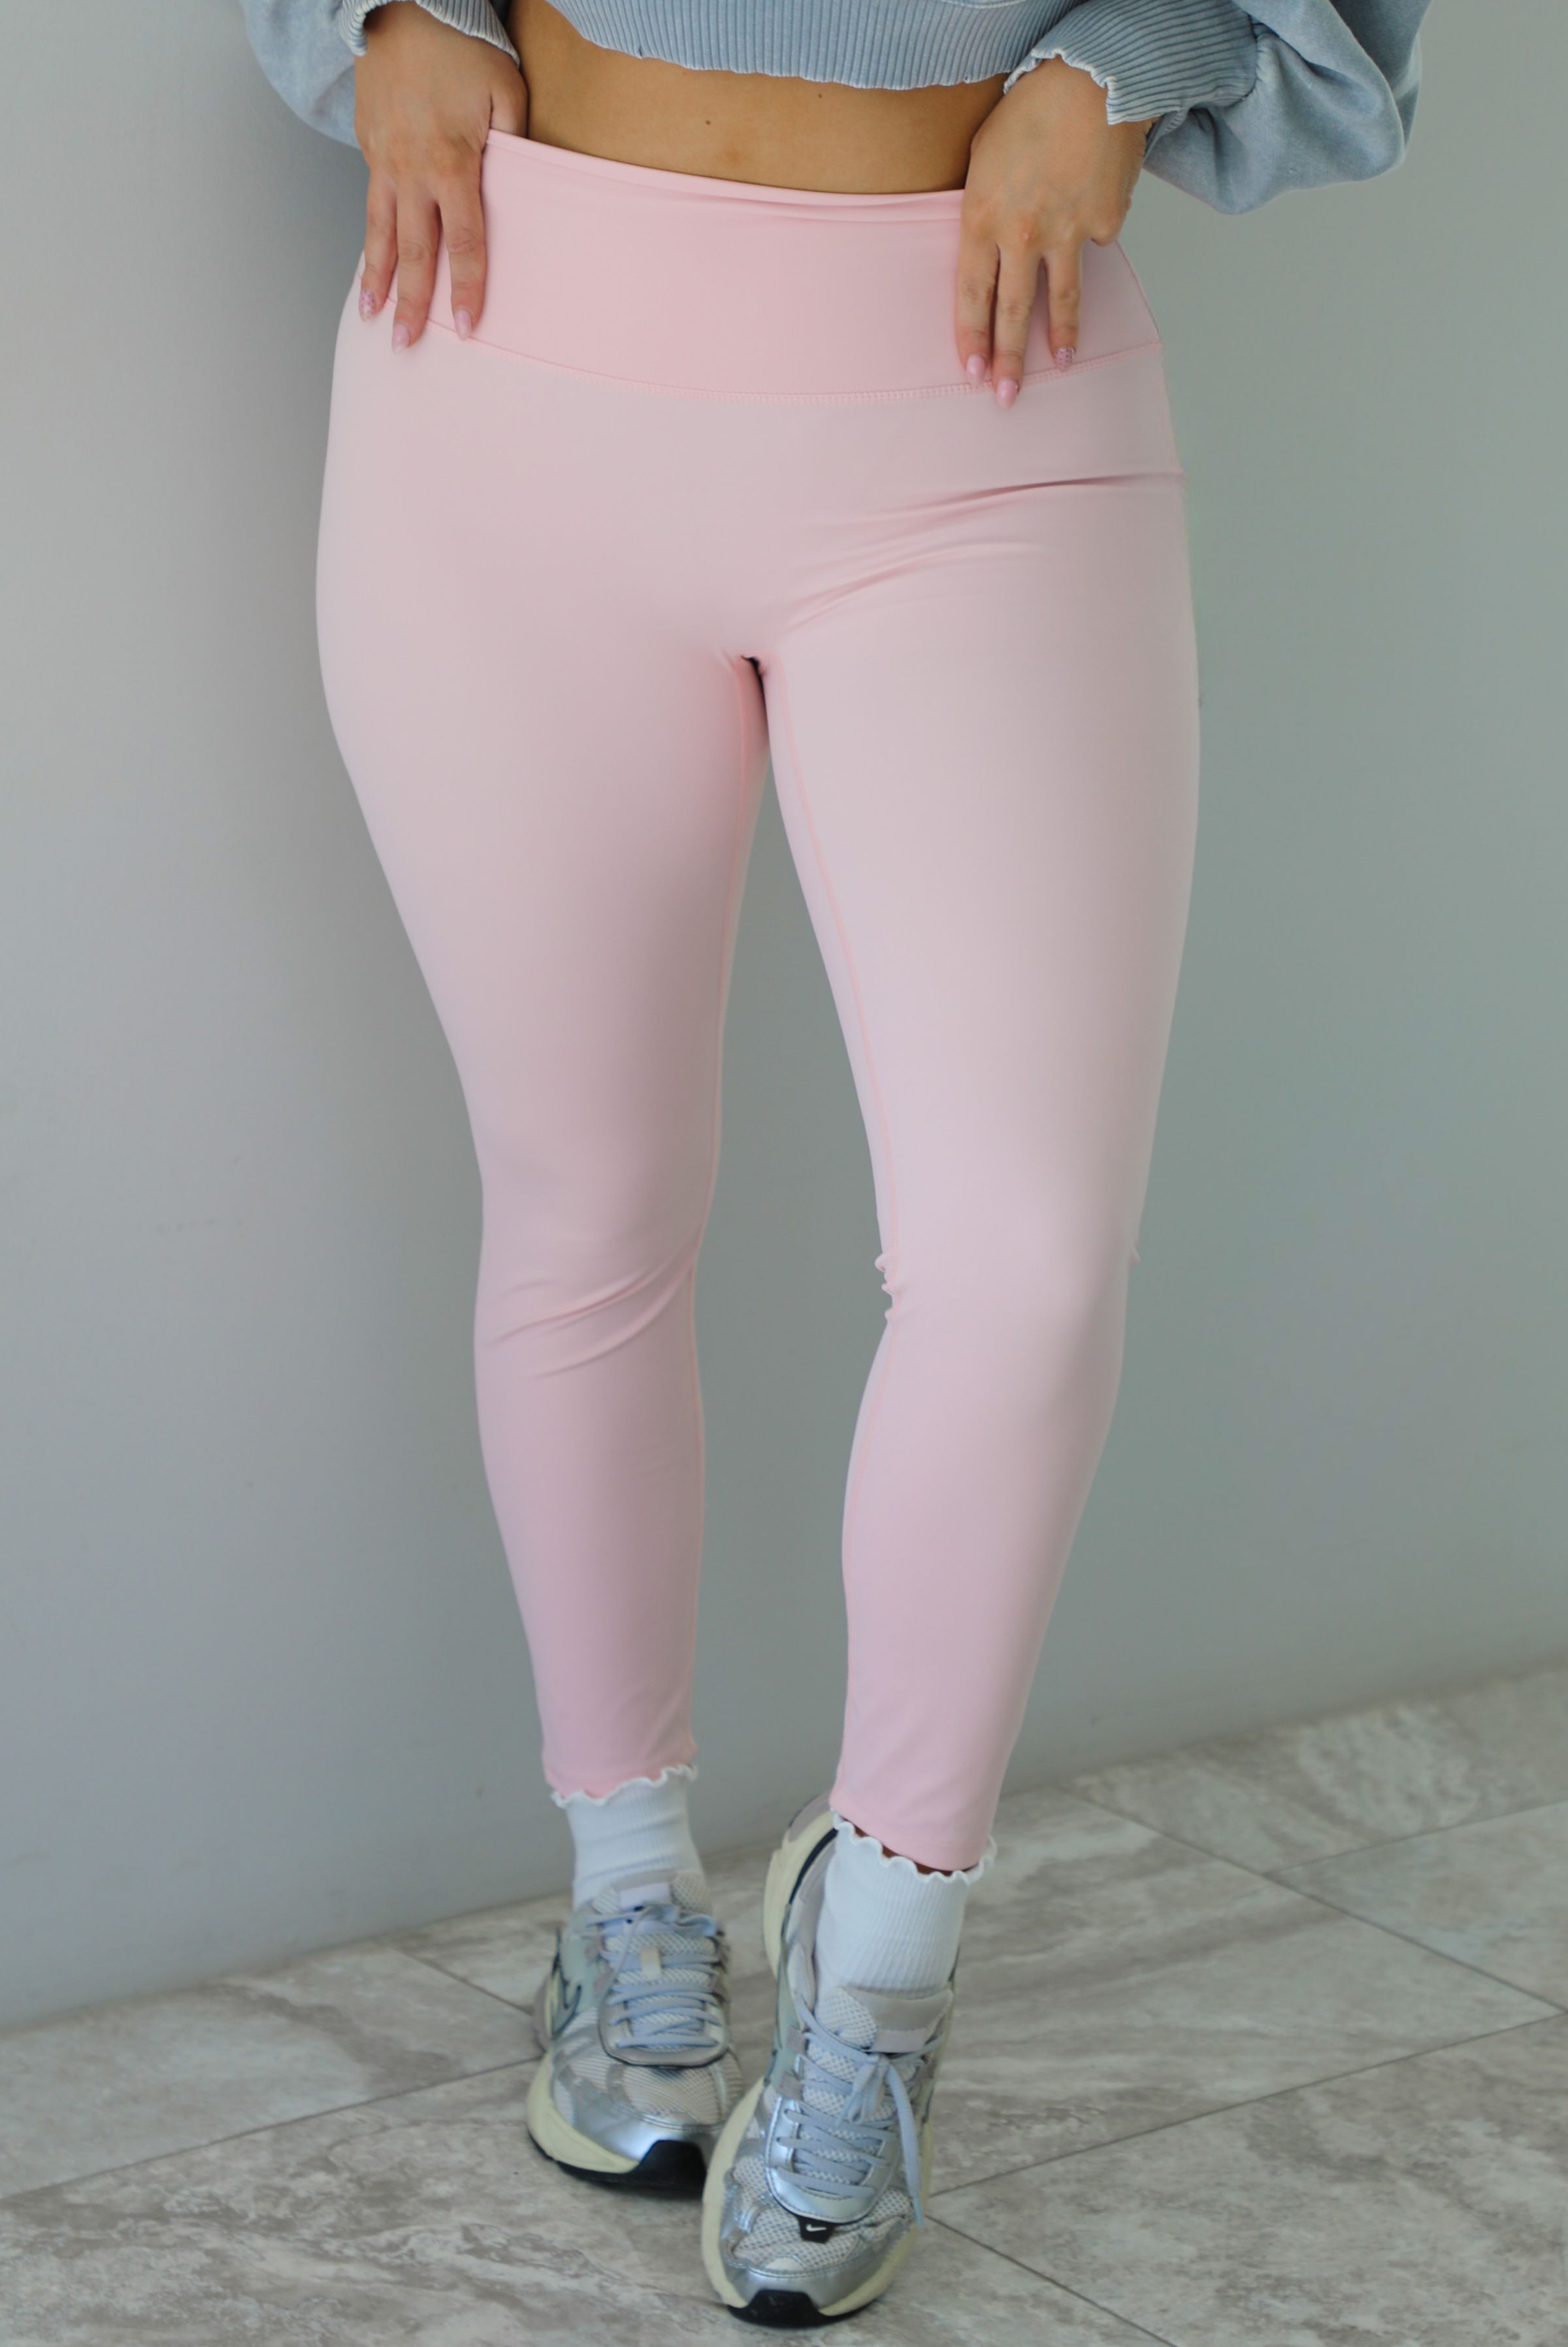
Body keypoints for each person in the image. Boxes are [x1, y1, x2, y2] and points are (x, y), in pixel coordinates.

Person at [243, 0, 1429, 2322]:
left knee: (1027, 1260)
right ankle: (626, 1909)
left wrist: (1131, 55)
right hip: (501, 345)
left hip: (979, 383)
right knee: (586, 1206)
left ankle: (878, 1958)